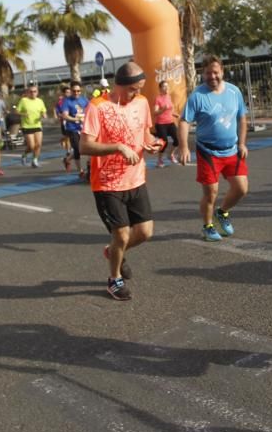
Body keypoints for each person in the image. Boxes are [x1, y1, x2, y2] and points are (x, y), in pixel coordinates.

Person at [81, 62, 163, 301]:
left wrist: (157, 144)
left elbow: (147, 134)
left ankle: (113, 251)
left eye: (140, 89)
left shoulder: (141, 103)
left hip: (136, 179)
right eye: (133, 89)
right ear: (119, 85)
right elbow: (85, 146)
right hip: (107, 184)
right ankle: (114, 280)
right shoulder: (98, 107)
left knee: (145, 233)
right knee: (122, 235)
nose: (137, 94)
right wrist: (117, 147)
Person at [180, 56, 250, 240]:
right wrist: (184, 147)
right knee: (211, 192)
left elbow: (242, 118)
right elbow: (184, 121)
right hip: (207, 152)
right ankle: (208, 226)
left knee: (241, 188)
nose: (212, 76)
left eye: (215, 72)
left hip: (232, 149)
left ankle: (222, 212)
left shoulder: (234, 92)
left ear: (222, 72)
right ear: (203, 74)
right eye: (208, 73)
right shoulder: (197, 96)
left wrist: (242, 143)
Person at [59, 82, 90, 176]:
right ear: (71, 91)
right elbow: (65, 115)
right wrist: (76, 119)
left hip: (83, 127)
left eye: (78, 91)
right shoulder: (67, 101)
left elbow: (90, 110)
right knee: (77, 149)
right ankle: (80, 171)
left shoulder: (84, 100)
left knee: (88, 147)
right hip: (72, 128)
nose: (76, 93)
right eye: (74, 91)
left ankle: (67, 159)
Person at [17, 84, 47, 167]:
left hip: (37, 125)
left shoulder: (40, 101)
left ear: (37, 92)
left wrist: (44, 115)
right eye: (31, 92)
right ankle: (24, 155)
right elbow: (17, 111)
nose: (33, 93)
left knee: (38, 144)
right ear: (28, 92)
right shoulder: (24, 100)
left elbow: (43, 110)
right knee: (31, 146)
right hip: (27, 126)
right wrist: (23, 114)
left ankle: (35, 160)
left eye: (35, 91)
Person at [153, 80, 181, 167]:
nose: (167, 88)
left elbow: (170, 110)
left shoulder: (168, 97)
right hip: (161, 124)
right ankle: (159, 160)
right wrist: (162, 110)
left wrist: (176, 115)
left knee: (177, 140)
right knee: (164, 143)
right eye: (164, 86)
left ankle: (170, 155)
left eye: (167, 86)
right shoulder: (158, 99)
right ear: (160, 88)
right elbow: (155, 112)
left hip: (170, 122)